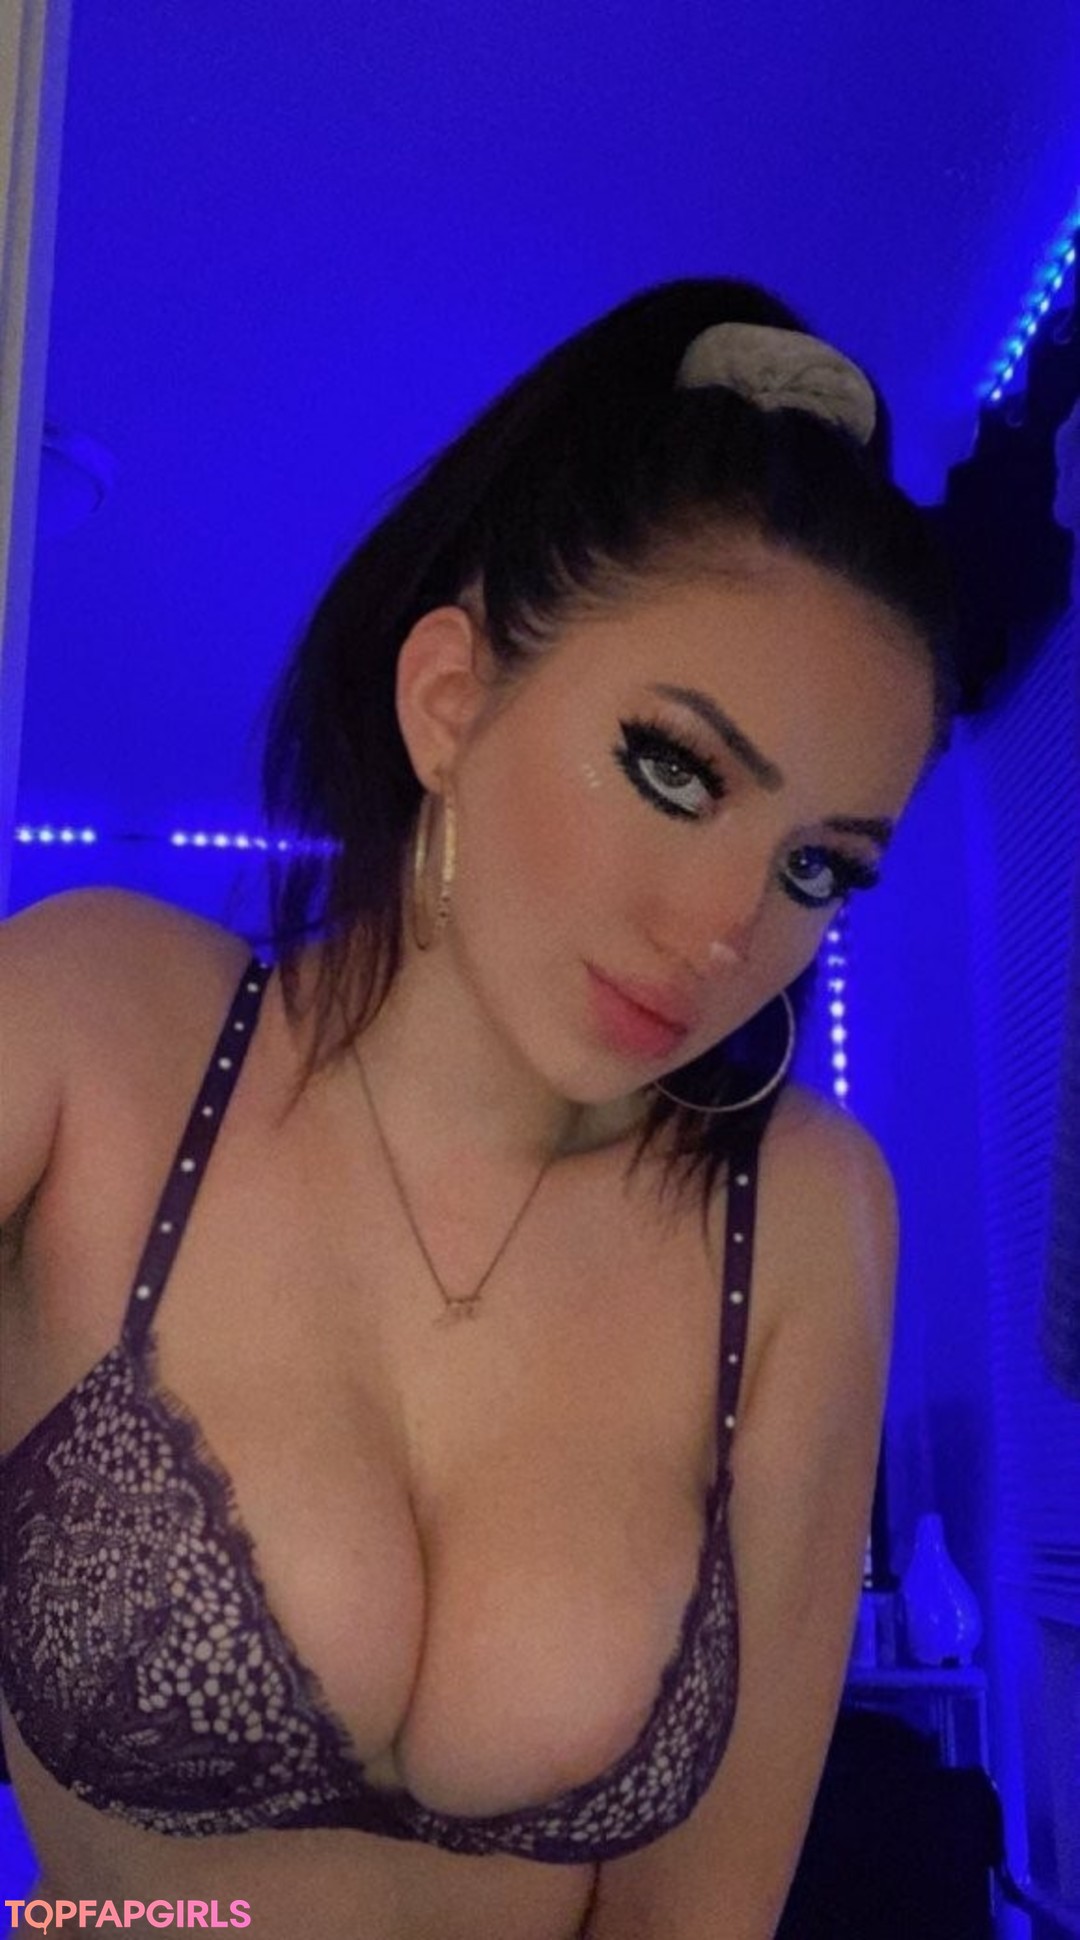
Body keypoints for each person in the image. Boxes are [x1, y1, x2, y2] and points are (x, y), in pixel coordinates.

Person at [0, 276, 958, 1940]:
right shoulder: (92, 1027)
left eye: (817, 868)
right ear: (450, 696)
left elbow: (693, 1918)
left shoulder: (803, 1215)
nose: (727, 931)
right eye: (675, 770)